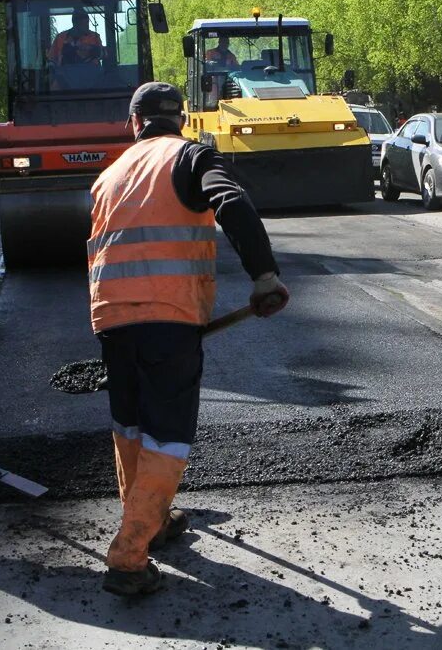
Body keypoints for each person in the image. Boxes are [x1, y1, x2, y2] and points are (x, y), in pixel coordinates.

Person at [88, 81, 288, 596]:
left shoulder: (109, 175)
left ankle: (150, 519)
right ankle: (129, 557)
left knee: (130, 425)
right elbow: (232, 202)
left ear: (134, 124)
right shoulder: (191, 156)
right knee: (167, 432)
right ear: (181, 120)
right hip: (168, 317)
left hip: (110, 316)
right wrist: (264, 276)